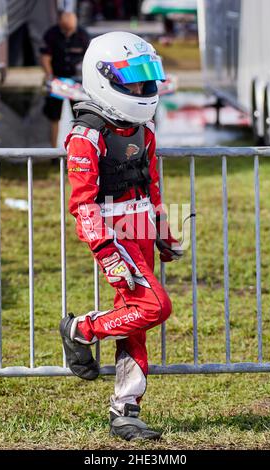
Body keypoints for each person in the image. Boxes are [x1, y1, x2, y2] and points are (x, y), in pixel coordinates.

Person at [60, 31, 183, 441]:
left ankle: (125, 409)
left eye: (146, 79)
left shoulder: (144, 131)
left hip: (143, 227)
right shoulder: (86, 134)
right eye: (131, 81)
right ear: (103, 78)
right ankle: (80, 330)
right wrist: (107, 252)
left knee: (136, 320)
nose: (142, 89)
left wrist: (165, 231)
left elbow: (152, 186)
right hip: (114, 234)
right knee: (154, 306)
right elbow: (82, 205)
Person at [40, 11, 90, 147]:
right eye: (66, 29)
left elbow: (89, 58)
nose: (69, 32)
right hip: (57, 80)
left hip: (76, 82)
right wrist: (50, 76)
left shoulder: (82, 35)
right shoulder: (51, 34)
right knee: (54, 117)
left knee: (80, 118)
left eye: (71, 28)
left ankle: (79, 148)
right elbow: (45, 57)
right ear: (60, 23)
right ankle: (53, 153)